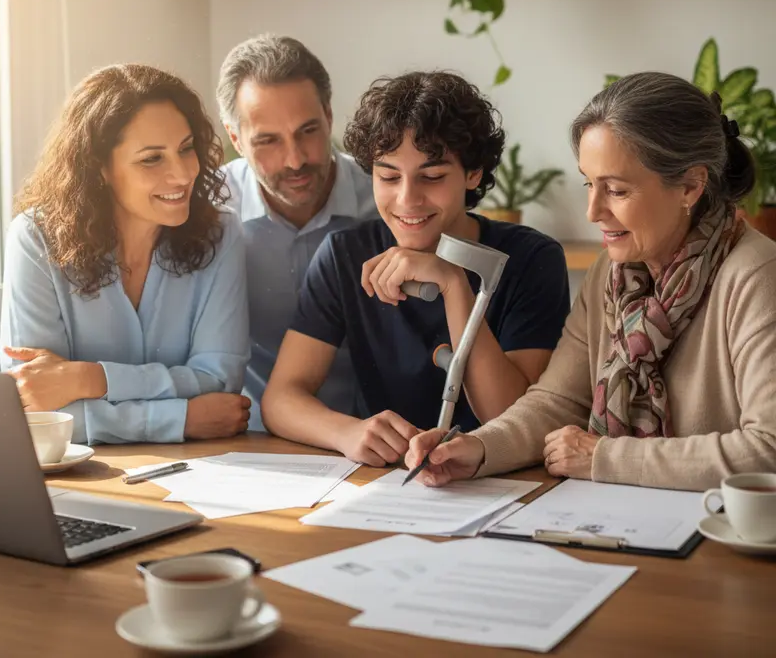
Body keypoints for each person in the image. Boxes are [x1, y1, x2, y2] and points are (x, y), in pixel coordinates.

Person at [406, 71, 776, 492]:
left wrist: (604, 456)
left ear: (690, 186)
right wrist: (476, 449)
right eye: (589, 184)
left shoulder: (757, 277)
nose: (592, 211)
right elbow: (557, 401)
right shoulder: (611, 273)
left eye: (616, 190)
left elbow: (767, 450)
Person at [262, 70, 571, 466]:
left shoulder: (531, 258)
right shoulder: (344, 253)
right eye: (388, 176)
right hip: (386, 480)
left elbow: (511, 419)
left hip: (498, 478)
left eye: (432, 176)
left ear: (473, 172)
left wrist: (453, 284)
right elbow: (281, 398)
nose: (407, 199)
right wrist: (348, 432)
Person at [0, 64, 251, 445]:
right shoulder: (35, 239)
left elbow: (219, 380)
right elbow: (35, 410)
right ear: (99, 167)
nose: (183, 174)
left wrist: (91, 379)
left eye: (186, 149)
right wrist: (178, 419)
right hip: (77, 482)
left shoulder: (221, 233)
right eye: (152, 159)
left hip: (203, 470)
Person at [216, 35, 376, 430]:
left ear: (328, 115)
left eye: (307, 131)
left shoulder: (387, 204)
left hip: (382, 438)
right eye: (267, 141)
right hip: (254, 441)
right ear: (235, 139)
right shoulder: (205, 214)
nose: (295, 160)